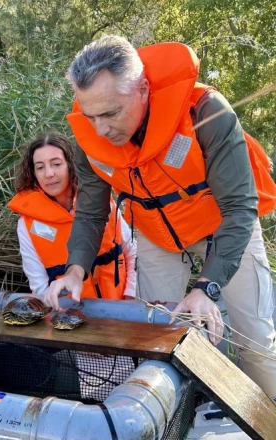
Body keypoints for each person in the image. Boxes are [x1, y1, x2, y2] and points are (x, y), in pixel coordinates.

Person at [45, 36, 276, 398]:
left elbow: (239, 209)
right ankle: (177, 413)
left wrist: (205, 287)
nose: (100, 129)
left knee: (255, 338)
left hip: (224, 229)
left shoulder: (207, 113)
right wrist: (74, 270)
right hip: (157, 233)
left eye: (110, 113)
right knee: (156, 334)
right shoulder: (91, 140)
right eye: (90, 116)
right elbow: (90, 214)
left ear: (142, 90)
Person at [8, 132, 137, 300]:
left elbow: (131, 251)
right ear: (33, 173)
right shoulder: (26, 224)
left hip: (120, 309)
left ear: (71, 164)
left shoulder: (102, 203)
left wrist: (131, 296)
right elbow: (39, 284)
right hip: (69, 315)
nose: (49, 174)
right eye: (40, 167)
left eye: (56, 164)